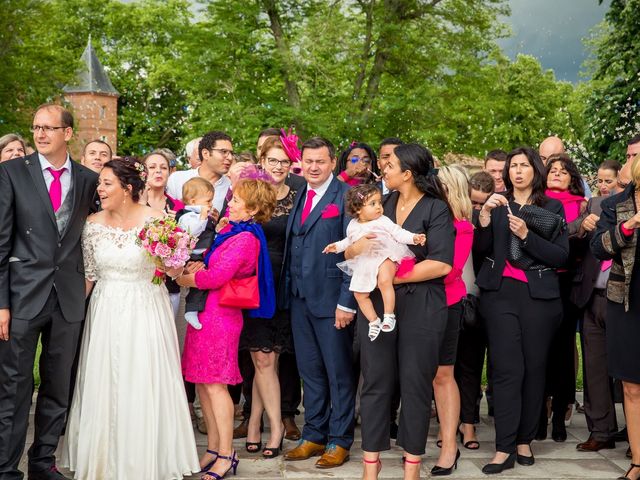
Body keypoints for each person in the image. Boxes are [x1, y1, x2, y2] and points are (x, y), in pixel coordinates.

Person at [60, 158, 199, 479]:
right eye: (99, 183)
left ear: (128, 188)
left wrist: (172, 260)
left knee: (143, 378)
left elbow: (173, 272)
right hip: (105, 308)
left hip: (146, 308)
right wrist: (68, 317)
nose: (100, 189)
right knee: (105, 380)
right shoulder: (91, 224)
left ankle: (147, 458)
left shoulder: (158, 221)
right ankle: (103, 461)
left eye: (107, 184)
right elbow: (89, 276)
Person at [0, 104, 98, 480]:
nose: (40, 135)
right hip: (22, 297)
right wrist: (2, 303)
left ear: (68, 133)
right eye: (36, 128)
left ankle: (43, 464)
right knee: (13, 388)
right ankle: (7, 469)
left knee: (58, 388)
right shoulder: (11, 173)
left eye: (49, 128)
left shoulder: (90, 180)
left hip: (69, 298)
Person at [348, 143, 454, 480]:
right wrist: (360, 255)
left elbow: (440, 264)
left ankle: (411, 467)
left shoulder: (437, 209)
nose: (383, 168)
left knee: (415, 385)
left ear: (407, 173)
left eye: (389, 164)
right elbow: (355, 247)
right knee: (375, 382)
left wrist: (389, 272)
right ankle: (371, 465)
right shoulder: (381, 205)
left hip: (423, 306)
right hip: (380, 305)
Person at [474, 146, 569, 474]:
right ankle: (503, 446)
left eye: (524, 165)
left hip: (539, 297)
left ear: (535, 170)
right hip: (500, 295)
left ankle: (524, 440)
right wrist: (484, 220)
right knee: (504, 369)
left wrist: (527, 236)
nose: (516, 171)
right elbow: (481, 252)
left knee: (534, 368)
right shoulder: (497, 204)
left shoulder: (552, 206)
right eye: (512, 166)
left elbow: (561, 257)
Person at [178, 178, 277, 479]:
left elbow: (216, 276)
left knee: (216, 384)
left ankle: (226, 454)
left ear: (254, 209)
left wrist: (187, 278)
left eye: (237, 200)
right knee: (202, 382)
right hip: (205, 313)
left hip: (221, 316)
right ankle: (212, 448)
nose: (230, 203)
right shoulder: (229, 232)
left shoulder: (246, 238)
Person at [280, 137, 357, 469]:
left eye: (320, 162)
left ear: (332, 163)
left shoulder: (344, 198)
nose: (313, 167)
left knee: (338, 372)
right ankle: (314, 434)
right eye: (308, 161)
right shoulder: (302, 194)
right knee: (309, 371)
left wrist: (346, 302)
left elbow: (354, 254)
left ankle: (339, 440)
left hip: (331, 301)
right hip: (299, 298)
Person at [570, 161, 628, 453]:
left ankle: (634, 433)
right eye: (601, 181)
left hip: (626, 298)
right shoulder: (592, 205)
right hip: (592, 295)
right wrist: (582, 226)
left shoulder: (632, 208)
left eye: (610, 180)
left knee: (630, 371)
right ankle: (600, 430)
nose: (605, 185)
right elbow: (573, 242)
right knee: (594, 367)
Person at [591, 154, 640, 480]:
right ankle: (638, 461)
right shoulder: (617, 204)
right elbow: (599, 247)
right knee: (632, 387)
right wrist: (629, 224)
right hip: (627, 302)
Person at [324, 184, 425, 340]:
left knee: (385, 281)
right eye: (373, 204)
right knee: (359, 292)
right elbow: (348, 241)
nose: (379, 207)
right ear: (358, 209)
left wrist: (414, 238)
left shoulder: (383, 221)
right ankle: (373, 320)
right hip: (366, 261)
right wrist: (336, 247)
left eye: (379, 202)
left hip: (386, 255)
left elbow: (398, 233)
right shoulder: (353, 225)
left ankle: (389, 315)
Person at [540, 153, 587, 442]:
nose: (557, 173)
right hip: (541, 279)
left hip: (568, 282)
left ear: (572, 178)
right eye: (552, 170)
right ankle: (538, 414)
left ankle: (559, 413)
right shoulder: (536, 202)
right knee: (539, 347)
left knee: (563, 348)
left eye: (563, 171)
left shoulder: (582, 206)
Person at [432, 165, 474, 476]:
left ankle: (449, 446)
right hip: (416, 306)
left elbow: (449, 271)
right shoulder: (428, 218)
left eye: (440, 185)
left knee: (443, 375)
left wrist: (402, 274)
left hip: (446, 305)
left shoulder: (462, 226)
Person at [141, 150, 185, 317]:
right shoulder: (132, 204)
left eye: (163, 168)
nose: (158, 171)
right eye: (152, 167)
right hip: (139, 281)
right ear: (143, 172)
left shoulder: (179, 207)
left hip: (169, 285)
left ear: (170, 172)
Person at [176, 177, 216, 330]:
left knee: (201, 284)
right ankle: (191, 310)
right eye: (207, 201)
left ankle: (194, 308)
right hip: (192, 255)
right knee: (197, 283)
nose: (210, 204)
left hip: (202, 254)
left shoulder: (201, 215)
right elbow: (192, 232)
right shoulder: (187, 216)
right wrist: (203, 217)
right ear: (193, 202)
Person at [166, 130, 233, 213]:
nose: (230, 157)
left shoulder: (232, 188)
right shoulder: (177, 179)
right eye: (224, 152)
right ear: (205, 154)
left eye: (231, 153)